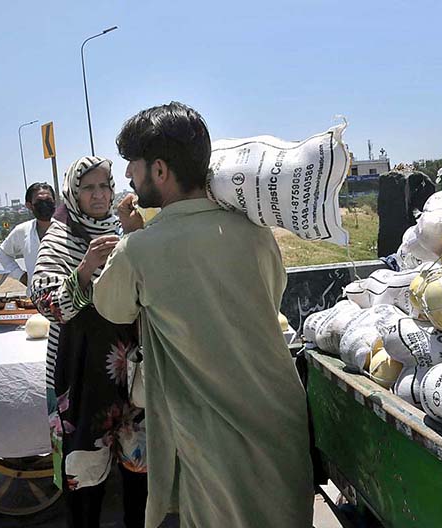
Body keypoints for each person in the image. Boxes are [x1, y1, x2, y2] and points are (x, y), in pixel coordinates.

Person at [93, 102, 314, 527]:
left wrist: (133, 237)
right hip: (279, 421)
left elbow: (112, 306)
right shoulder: (255, 231)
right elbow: (271, 295)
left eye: (132, 166)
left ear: (159, 171)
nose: (126, 177)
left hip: (212, 439)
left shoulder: (138, 250)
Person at [31, 156, 147, 528]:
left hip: (129, 370)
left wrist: (135, 238)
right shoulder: (61, 236)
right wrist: (83, 270)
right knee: (84, 475)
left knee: (138, 467)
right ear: (74, 193)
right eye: (89, 188)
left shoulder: (121, 226)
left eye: (105, 186)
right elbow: (45, 302)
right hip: (80, 371)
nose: (99, 195)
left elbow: (147, 285)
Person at [0, 182, 56, 296]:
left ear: (54, 202)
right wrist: (21, 276)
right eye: (39, 202)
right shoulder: (22, 230)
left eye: (48, 200)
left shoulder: (68, 228)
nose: (45, 205)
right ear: (29, 205)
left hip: (68, 301)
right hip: (37, 299)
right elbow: (3, 253)